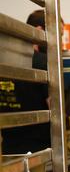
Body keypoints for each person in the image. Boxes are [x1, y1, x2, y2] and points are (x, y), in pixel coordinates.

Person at [0, 10, 51, 154]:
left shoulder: (4, 63)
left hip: (8, 148)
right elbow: (54, 105)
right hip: (41, 149)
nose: (60, 40)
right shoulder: (44, 61)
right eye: (58, 34)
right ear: (39, 31)